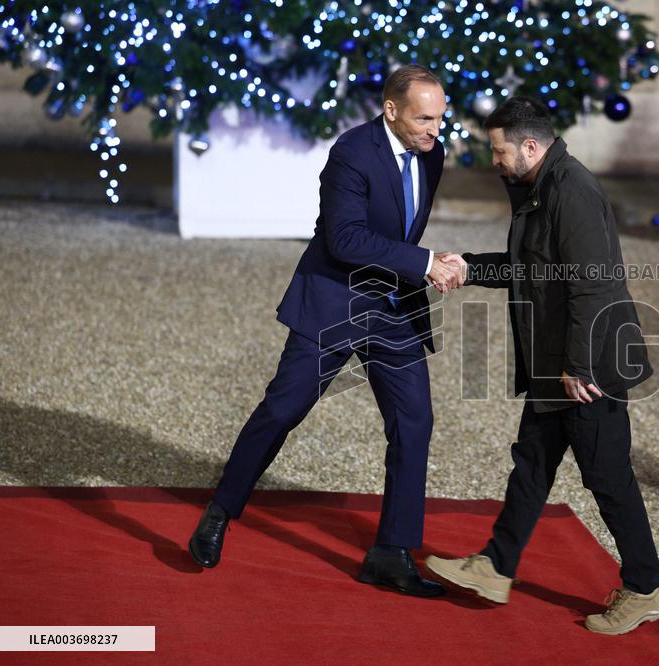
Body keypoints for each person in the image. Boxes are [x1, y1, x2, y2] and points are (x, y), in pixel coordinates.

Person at [187, 65, 469, 598]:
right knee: (281, 410)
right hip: (335, 304)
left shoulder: (433, 153)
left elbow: (401, 228)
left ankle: (391, 552)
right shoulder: (351, 153)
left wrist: (424, 262)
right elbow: (344, 240)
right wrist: (425, 261)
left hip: (392, 310)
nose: (435, 129)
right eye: (424, 118)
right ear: (391, 109)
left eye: (440, 117)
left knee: (414, 424)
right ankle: (220, 511)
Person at [424, 98, 659, 636]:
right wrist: (467, 268)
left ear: (530, 147)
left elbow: (594, 284)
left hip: (588, 368)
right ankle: (495, 566)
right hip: (555, 362)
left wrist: (578, 367)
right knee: (532, 464)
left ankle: (646, 588)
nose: (495, 161)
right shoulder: (543, 186)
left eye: (499, 151)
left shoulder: (572, 191)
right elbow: (529, 268)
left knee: (607, 477)